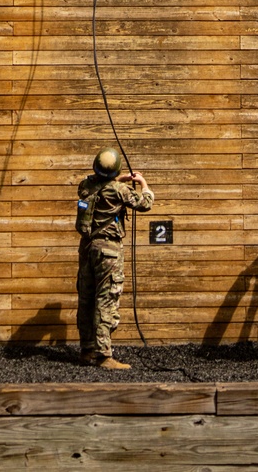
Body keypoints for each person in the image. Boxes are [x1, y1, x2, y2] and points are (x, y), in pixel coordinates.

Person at [75, 147, 153, 370]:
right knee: (106, 299)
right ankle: (103, 356)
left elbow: (101, 186)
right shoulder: (120, 191)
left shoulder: (85, 185)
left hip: (87, 248)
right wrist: (143, 184)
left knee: (87, 299)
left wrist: (120, 179)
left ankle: (87, 350)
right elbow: (145, 203)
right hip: (108, 252)